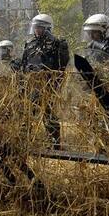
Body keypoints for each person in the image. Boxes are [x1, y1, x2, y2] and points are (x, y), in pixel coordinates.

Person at [19, 13, 69, 147]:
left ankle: (55, 142)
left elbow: (62, 64)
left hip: (49, 84)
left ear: (47, 28)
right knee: (28, 112)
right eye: (35, 27)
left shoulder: (57, 44)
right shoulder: (30, 45)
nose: (36, 30)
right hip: (32, 85)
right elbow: (24, 64)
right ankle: (24, 140)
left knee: (48, 113)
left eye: (39, 28)